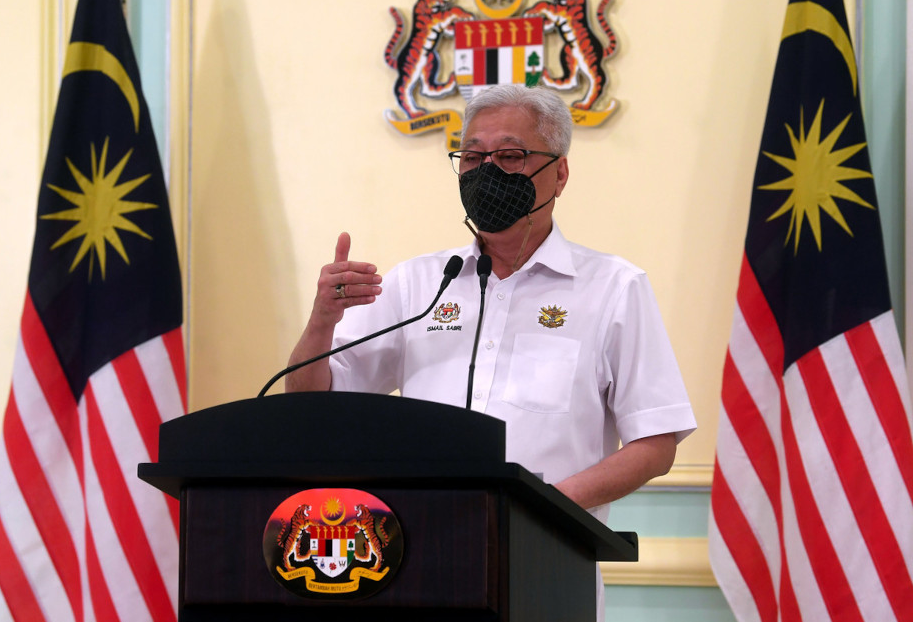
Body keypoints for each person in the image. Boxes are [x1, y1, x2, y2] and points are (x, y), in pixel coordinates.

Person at [285, 84, 696, 619]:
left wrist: (540, 510)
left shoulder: (613, 288)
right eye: (473, 157)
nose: (487, 172)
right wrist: (321, 322)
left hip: (546, 561)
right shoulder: (419, 284)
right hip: (416, 559)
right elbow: (314, 405)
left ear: (560, 173)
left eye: (510, 155)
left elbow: (656, 442)